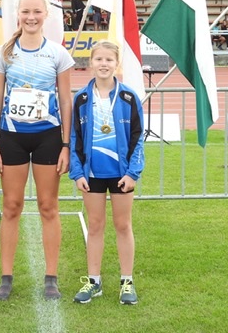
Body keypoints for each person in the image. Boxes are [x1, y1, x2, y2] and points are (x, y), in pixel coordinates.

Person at [0, 0, 74, 301]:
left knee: (48, 206)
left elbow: (66, 100)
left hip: (48, 136)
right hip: (12, 137)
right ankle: (6, 278)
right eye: (26, 12)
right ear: (18, 15)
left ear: (45, 15)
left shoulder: (58, 54)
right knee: (11, 206)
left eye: (37, 12)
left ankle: (51, 277)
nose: (31, 17)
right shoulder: (4, 53)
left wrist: (66, 144)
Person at [69, 40, 145, 305]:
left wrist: (133, 173)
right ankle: (94, 281)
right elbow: (74, 138)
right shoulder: (81, 98)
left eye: (109, 60)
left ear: (116, 64)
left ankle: (127, 281)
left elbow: (138, 137)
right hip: (92, 175)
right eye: (98, 59)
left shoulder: (128, 97)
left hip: (122, 174)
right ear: (91, 63)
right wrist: (78, 173)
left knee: (123, 225)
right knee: (95, 225)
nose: (103, 64)